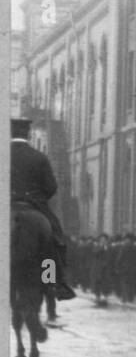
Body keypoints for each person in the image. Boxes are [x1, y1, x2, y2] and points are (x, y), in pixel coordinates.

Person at [10, 117, 76, 301]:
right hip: (34, 205)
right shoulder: (39, 157)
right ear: (28, 134)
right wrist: (37, 199)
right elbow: (51, 187)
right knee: (55, 238)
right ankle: (55, 282)